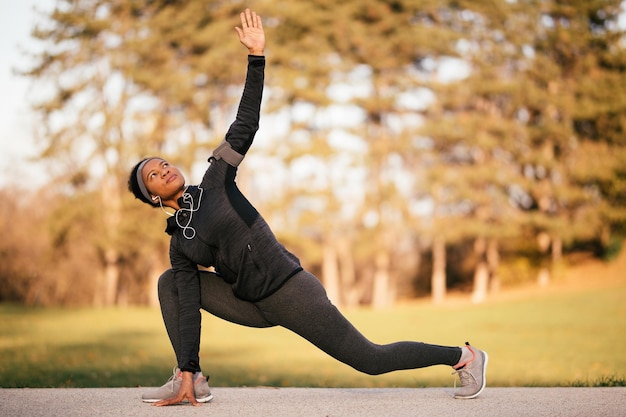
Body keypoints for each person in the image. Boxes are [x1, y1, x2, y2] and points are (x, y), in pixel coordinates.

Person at [128, 9, 488, 407]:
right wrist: (190, 363)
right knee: (171, 283)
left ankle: (464, 357)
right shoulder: (180, 244)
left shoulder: (216, 180)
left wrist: (256, 57)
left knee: (370, 358)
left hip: (291, 292)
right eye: (153, 176)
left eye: (162, 163)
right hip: (249, 302)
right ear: (153, 198)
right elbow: (188, 310)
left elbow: (245, 123)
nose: (163, 169)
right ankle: (188, 378)